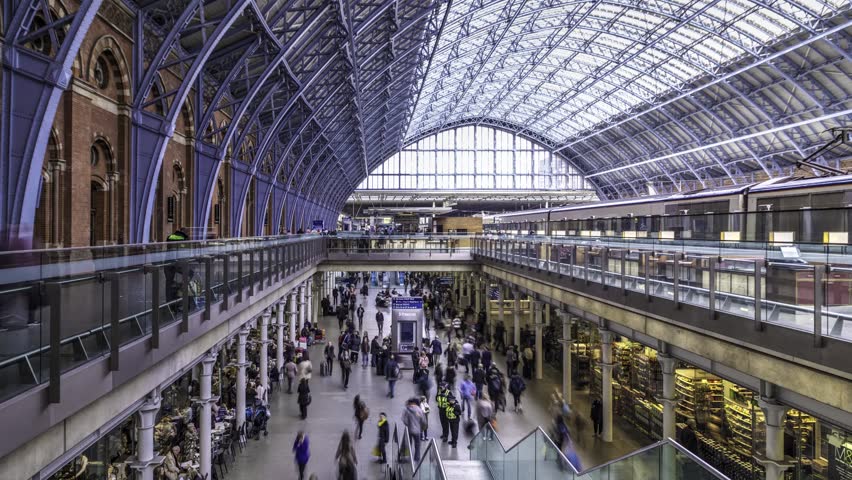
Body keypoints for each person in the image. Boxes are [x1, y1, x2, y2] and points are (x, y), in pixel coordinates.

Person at [402, 398, 426, 463]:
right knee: (417, 445)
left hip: (409, 430)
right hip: (417, 431)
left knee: (408, 444)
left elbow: (404, 420)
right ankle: (417, 458)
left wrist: (408, 425)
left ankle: (407, 457)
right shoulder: (420, 410)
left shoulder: (407, 410)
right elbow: (424, 421)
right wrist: (421, 428)